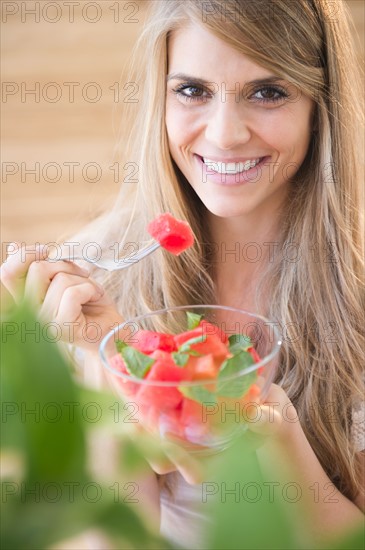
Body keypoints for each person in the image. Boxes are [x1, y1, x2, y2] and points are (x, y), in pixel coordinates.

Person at [1, 0, 364, 547]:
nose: (224, 135)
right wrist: (115, 374)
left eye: (267, 92)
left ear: (321, 104)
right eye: (193, 91)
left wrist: (273, 436)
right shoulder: (97, 268)